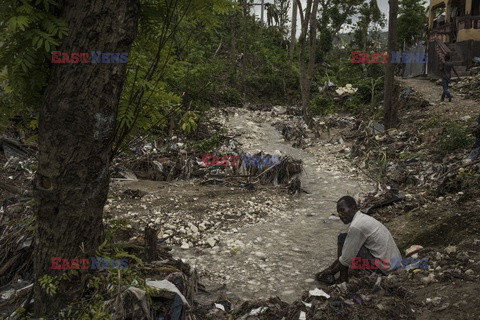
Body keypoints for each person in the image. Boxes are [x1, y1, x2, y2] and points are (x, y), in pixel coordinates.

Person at [316, 196, 402, 284]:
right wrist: (331, 268)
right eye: (338, 213)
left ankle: (343, 278)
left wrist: (331, 271)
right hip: (394, 264)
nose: (340, 215)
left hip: (385, 269)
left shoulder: (356, 226)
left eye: (342, 210)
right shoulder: (362, 218)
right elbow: (347, 251)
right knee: (345, 239)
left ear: (353, 208)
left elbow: (346, 259)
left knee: (343, 239)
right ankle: (342, 276)